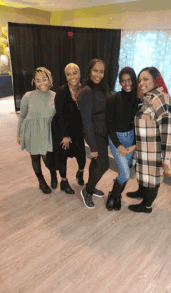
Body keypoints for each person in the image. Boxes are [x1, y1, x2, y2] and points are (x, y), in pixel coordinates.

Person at [127, 67, 171, 213]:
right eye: (140, 80)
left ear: (156, 80)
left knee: (152, 177)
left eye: (145, 79)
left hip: (155, 151)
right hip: (145, 148)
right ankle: (142, 192)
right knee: (144, 174)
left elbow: (168, 131)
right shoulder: (149, 98)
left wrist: (166, 158)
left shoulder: (162, 100)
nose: (141, 83)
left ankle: (147, 205)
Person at [17, 67, 56, 194]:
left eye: (44, 79)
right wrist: (18, 134)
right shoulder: (28, 96)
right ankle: (41, 181)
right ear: (34, 81)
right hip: (31, 133)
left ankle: (53, 175)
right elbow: (22, 116)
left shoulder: (55, 96)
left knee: (49, 161)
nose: (42, 83)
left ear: (50, 79)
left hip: (47, 134)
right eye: (38, 80)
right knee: (35, 159)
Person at [78, 58, 110, 209]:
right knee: (104, 165)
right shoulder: (86, 91)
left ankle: (91, 185)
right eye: (95, 70)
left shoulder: (103, 87)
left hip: (103, 133)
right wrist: (93, 146)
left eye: (101, 71)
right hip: (94, 134)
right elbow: (86, 122)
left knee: (96, 163)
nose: (98, 74)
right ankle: (88, 191)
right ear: (89, 71)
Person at [106, 67, 138, 211]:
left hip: (131, 140)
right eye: (123, 81)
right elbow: (109, 125)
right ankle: (113, 195)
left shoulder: (138, 100)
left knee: (124, 172)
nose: (126, 83)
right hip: (116, 139)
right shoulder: (113, 98)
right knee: (125, 173)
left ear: (133, 79)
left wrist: (135, 145)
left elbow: (140, 126)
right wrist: (118, 144)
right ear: (120, 82)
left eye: (129, 80)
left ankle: (117, 195)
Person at [50, 63, 86, 194]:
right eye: (68, 74)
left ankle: (80, 173)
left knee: (82, 156)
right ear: (65, 76)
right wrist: (65, 135)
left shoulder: (84, 89)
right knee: (63, 155)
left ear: (79, 73)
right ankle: (64, 182)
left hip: (77, 129)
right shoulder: (61, 91)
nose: (72, 77)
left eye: (75, 73)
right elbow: (60, 115)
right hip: (62, 128)